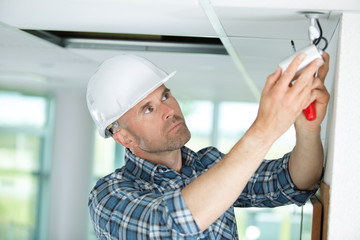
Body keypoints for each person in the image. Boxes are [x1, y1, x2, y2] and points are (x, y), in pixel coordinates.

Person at [86, 52, 330, 239]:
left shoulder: (208, 164)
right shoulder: (108, 196)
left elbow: (293, 181)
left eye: (165, 96)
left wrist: (308, 128)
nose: (169, 111)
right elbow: (173, 225)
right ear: (124, 138)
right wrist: (265, 129)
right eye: (148, 109)